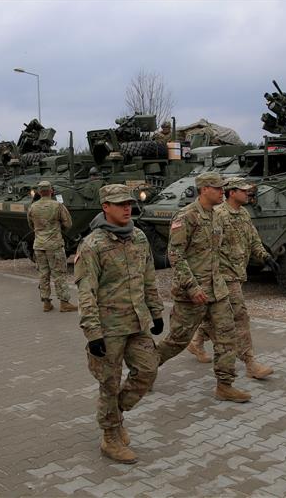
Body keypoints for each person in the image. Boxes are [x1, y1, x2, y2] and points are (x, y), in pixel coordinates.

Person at [75, 184, 164, 464]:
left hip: (138, 322)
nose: (126, 208)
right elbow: (85, 291)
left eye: (128, 203)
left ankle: (116, 415)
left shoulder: (138, 238)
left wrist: (157, 311)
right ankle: (110, 437)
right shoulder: (92, 245)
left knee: (148, 371)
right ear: (105, 207)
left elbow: (149, 276)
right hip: (108, 328)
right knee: (109, 384)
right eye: (119, 204)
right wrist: (93, 333)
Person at [156, 171, 251, 403]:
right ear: (204, 189)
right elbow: (175, 254)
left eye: (223, 189)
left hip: (217, 290)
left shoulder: (217, 216)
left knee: (227, 335)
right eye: (218, 189)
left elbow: (217, 253)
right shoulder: (186, 216)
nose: (222, 192)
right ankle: (144, 369)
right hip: (192, 293)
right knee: (177, 340)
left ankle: (225, 385)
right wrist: (191, 286)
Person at [186, 177, 279, 380]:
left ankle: (196, 341)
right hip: (223, 276)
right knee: (240, 317)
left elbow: (253, 239)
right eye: (243, 191)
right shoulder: (218, 214)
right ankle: (250, 363)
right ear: (231, 192)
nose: (248, 194)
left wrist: (265, 257)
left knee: (217, 316)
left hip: (237, 273)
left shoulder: (243, 213)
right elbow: (206, 249)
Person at [26, 181, 78, 312]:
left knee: (43, 274)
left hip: (39, 245)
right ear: (51, 191)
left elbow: (31, 225)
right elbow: (68, 224)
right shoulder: (58, 206)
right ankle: (64, 303)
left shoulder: (32, 207)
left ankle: (46, 302)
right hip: (54, 245)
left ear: (38, 192)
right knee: (59, 274)